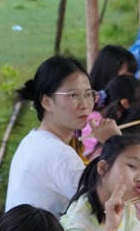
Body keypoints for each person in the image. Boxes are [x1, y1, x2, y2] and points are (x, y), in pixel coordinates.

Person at [7, 57, 111, 215]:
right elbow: (104, 202)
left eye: (88, 94)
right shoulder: (56, 152)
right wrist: (112, 143)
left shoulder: (34, 139)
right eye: (73, 95)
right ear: (47, 102)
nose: (84, 104)